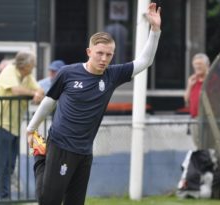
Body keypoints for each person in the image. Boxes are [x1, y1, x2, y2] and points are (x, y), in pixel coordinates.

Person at [26, 3, 161, 205]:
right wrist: (31, 128)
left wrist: (155, 30)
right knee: (48, 201)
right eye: (100, 53)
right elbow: (49, 101)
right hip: (61, 144)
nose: (104, 58)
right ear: (89, 51)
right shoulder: (68, 73)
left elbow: (145, 61)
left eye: (109, 55)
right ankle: (40, 157)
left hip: (84, 150)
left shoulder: (112, 75)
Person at [0, 50, 44, 200]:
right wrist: (34, 94)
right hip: (2, 124)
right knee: (0, 164)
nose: (33, 69)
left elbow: (39, 89)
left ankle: (3, 197)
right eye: (31, 65)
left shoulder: (26, 76)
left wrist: (36, 93)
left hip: (14, 125)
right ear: (24, 65)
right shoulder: (9, 71)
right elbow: (15, 90)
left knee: (9, 164)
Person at [184, 53, 210, 119]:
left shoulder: (213, 79)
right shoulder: (193, 80)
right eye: (195, 64)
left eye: (200, 64)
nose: (197, 66)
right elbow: (186, 100)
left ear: (207, 65)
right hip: (194, 119)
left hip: (208, 120)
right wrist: (189, 86)